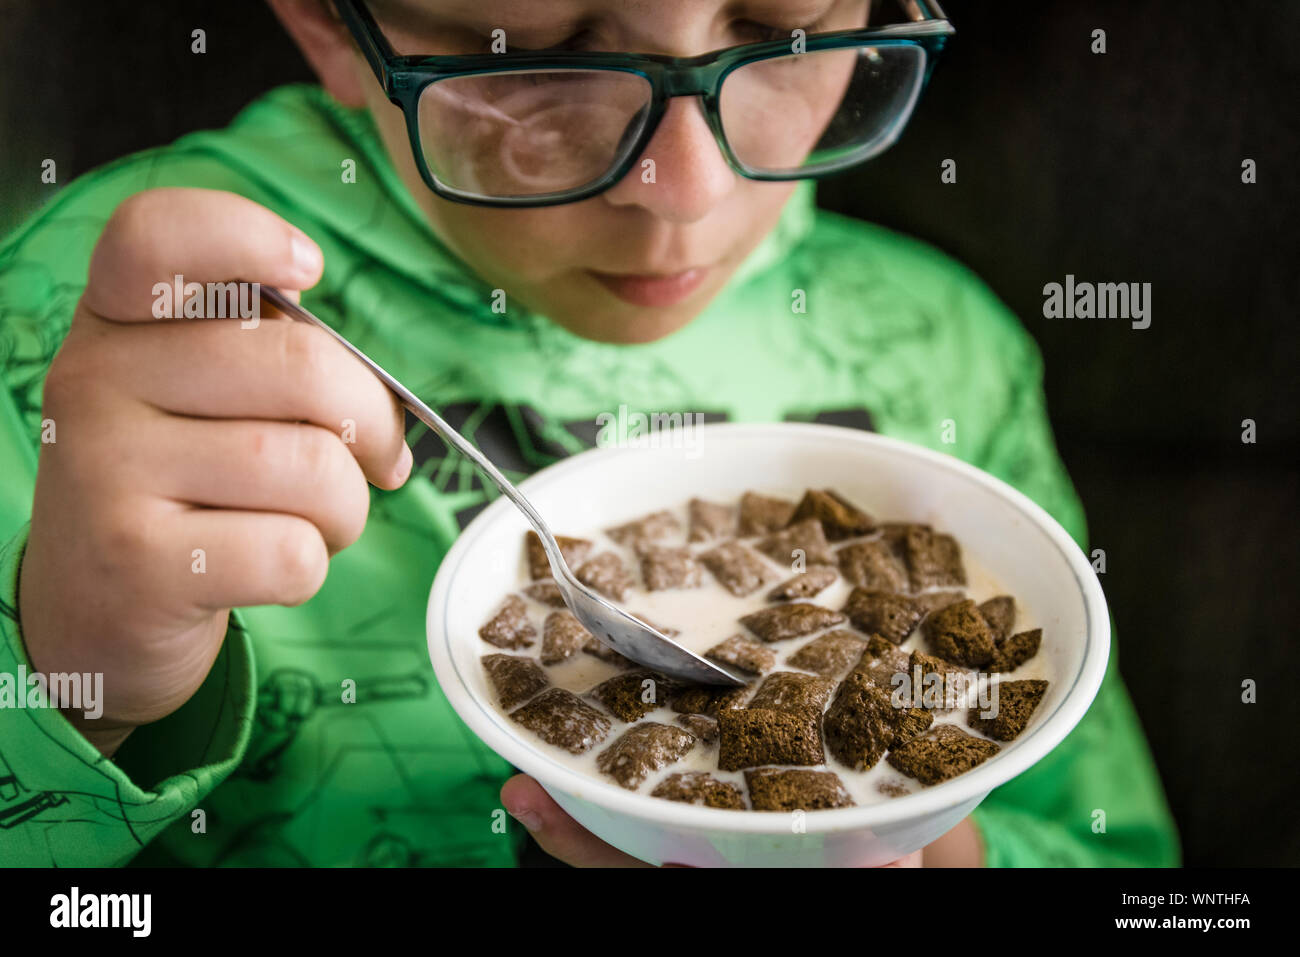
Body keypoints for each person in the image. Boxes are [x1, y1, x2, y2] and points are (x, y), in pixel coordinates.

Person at [0, 0, 1178, 867]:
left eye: (783, 30)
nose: (687, 191)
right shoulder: (113, 324)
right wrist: (82, 682)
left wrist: (927, 859)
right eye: (553, 63)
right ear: (325, 25)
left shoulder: (936, 341)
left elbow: (1120, 863)